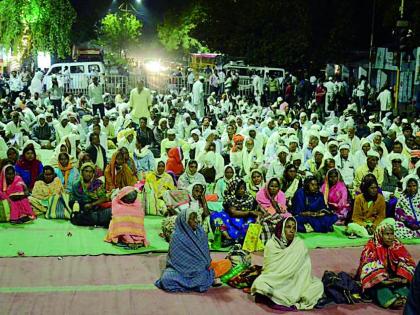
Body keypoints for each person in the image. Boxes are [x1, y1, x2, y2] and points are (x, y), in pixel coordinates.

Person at [251, 216, 324, 311]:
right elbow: (268, 271)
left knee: (318, 285)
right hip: (275, 280)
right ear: (281, 229)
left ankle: (275, 298)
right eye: (288, 227)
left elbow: (304, 272)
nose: (292, 230)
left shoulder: (299, 244)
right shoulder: (271, 244)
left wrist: (293, 282)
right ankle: (280, 297)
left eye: (294, 228)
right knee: (260, 283)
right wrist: (281, 279)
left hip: (296, 282)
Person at [155, 207, 231, 292]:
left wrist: (199, 267)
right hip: (180, 271)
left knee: (227, 263)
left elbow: (205, 257)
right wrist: (190, 269)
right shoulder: (176, 236)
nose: (196, 221)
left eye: (196, 218)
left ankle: (208, 277)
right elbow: (175, 261)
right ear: (184, 221)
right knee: (166, 279)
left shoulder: (201, 232)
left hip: (200, 269)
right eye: (192, 219)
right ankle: (210, 279)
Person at [357, 220, 416, 309]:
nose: (390, 237)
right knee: (379, 289)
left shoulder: (396, 245)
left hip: (393, 278)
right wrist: (396, 280)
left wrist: (402, 277)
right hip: (378, 282)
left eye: (392, 234)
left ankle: (400, 295)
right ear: (380, 234)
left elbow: (408, 264)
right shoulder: (370, 249)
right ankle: (392, 299)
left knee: (407, 287)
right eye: (387, 234)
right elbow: (375, 277)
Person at [211, 178, 258, 242]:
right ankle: (227, 237)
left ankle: (240, 239)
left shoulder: (248, 197)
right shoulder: (230, 198)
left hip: (244, 220)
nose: (243, 190)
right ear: (234, 189)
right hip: (229, 219)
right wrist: (249, 212)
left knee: (252, 220)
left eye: (244, 188)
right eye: (240, 189)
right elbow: (233, 213)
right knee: (215, 216)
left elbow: (258, 206)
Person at [69, 162, 111, 227]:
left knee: (109, 211)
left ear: (93, 173)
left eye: (91, 172)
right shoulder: (76, 185)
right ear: (82, 172)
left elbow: (103, 198)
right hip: (82, 208)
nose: (88, 174)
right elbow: (72, 200)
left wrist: (91, 204)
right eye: (86, 171)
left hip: (95, 207)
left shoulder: (98, 183)